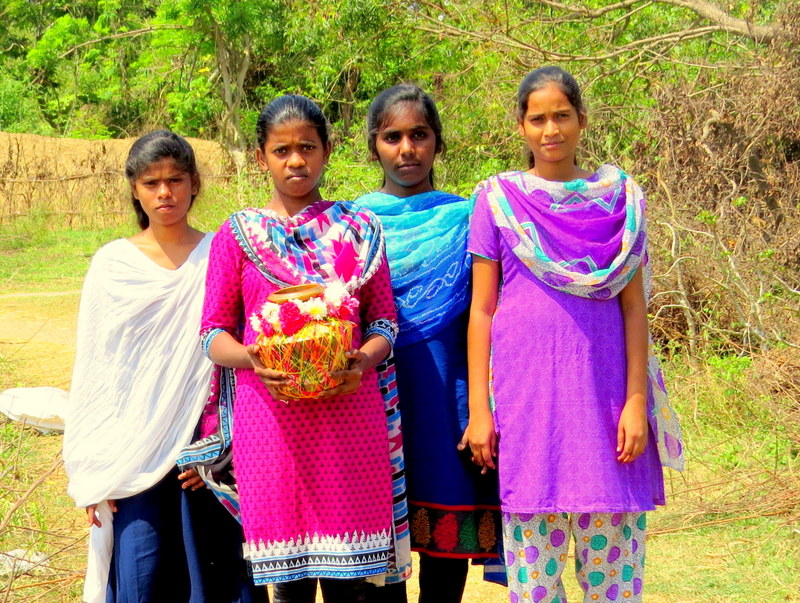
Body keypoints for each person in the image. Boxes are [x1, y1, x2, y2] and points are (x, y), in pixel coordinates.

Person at [464, 66, 685, 603]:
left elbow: (634, 309)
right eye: (538, 119)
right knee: (534, 585)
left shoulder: (620, 201)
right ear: (521, 126)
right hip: (528, 408)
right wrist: (479, 411)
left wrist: (636, 402)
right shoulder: (497, 200)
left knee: (612, 585)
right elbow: (482, 310)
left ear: (582, 120)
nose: (551, 129)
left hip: (605, 409)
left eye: (562, 115)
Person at [199, 94, 410, 603]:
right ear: (261, 158)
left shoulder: (359, 229)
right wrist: (253, 358)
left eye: (307, 148)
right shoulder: (237, 235)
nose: (296, 161)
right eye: (282, 150)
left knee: (352, 589)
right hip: (271, 428)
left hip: (349, 423)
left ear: (327, 151)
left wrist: (363, 360)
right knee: (288, 590)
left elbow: (384, 321)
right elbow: (212, 334)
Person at [63, 130, 265, 603]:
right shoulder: (113, 265)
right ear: (135, 190)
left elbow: (237, 360)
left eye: (175, 180)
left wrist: (220, 453)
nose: (164, 192)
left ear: (195, 183)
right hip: (134, 452)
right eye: (151, 183)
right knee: (144, 575)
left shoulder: (221, 254)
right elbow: (96, 371)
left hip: (208, 454)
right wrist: (94, 472)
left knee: (216, 580)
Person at [357, 84, 502, 603]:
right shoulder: (353, 225)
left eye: (419, 135)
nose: (407, 149)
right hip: (371, 405)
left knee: (446, 548)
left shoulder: (468, 220)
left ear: (438, 142)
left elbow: (491, 314)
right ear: (374, 146)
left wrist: (484, 408)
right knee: (378, 553)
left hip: (448, 403)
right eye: (392, 137)